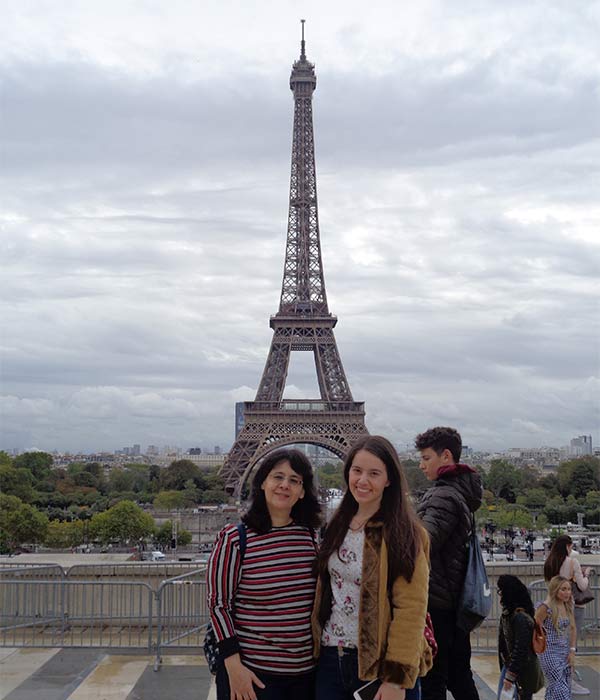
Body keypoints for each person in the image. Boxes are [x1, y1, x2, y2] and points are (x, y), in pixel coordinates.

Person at [311, 435, 433, 700]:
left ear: (389, 479)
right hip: (331, 658)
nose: (362, 481)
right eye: (357, 471)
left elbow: (411, 609)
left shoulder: (405, 534)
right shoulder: (336, 526)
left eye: (374, 473)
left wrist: (396, 679)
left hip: (380, 667)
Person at [207, 448, 322, 700]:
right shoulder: (235, 539)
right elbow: (219, 605)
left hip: (305, 677)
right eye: (277, 477)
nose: (284, 485)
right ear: (262, 483)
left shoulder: (311, 538)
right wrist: (234, 667)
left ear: (303, 491)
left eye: (294, 480)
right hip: (253, 676)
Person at [415, 426, 482, 700]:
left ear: (446, 456)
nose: (421, 465)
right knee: (458, 676)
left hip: (437, 603)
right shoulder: (460, 493)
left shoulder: (444, 495)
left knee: (434, 680)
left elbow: (422, 543)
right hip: (453, 601)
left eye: (426, 458)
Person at [544, 535, 592, 695]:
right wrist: (586, 575)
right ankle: (568, 679)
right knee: (570, 642)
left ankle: (556, 678)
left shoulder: (549, 562)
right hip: (571, 606)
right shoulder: (572, 562)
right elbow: (582, 585)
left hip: (552, 606)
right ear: (568, 546)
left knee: (555, 642)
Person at [497, 574, 544, 700]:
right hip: (512, 666)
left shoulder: (519, 618)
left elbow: (521, 648)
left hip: (519, 670)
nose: (499, 594)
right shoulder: (509, 613)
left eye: (501, 591)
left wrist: (510, 675)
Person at [535, 576, 577, 700]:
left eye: (569, 589)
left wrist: (572, 650)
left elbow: (573, 628)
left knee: (561, 686)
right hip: (548, 652)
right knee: (559, 687)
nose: (567, 593)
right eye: (563, 589)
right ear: (555, 590)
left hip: (564, 650)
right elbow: (534, 626)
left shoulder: (568, 606)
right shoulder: (545, 608)